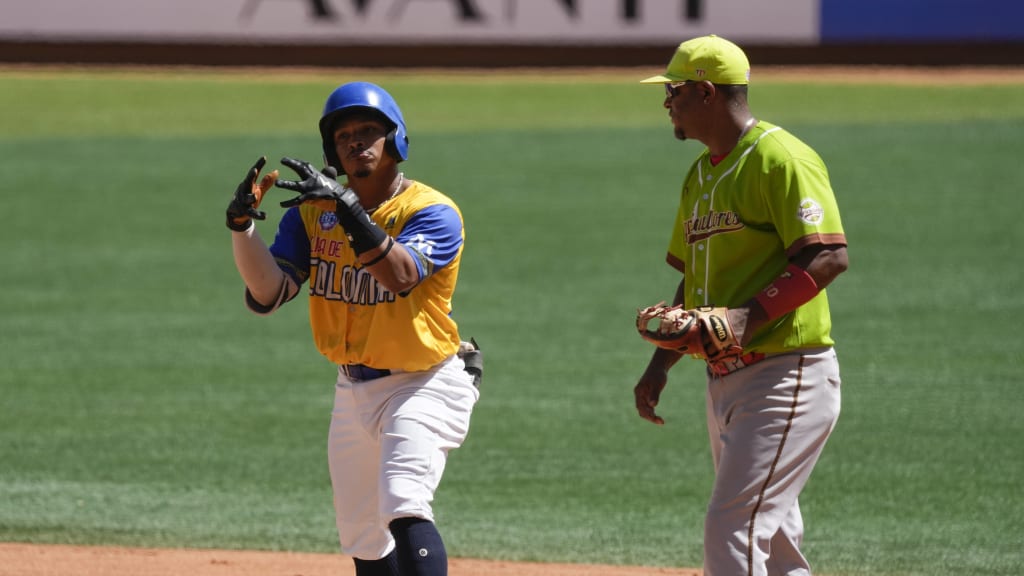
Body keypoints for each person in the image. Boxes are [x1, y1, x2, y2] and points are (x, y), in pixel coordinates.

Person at [224, 81, 481, 576]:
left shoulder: (432, 211)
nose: (356, 141)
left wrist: (346, 205)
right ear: (331, 149)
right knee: (362, 536)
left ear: (394, 139)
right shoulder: (314, 211)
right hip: (352, 387)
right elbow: (268, 295)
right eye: (344, 135)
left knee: (404, 504)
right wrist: (242, 229)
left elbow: (401, 275)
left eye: (368, 131)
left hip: (422, 382)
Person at [632, 35, 848, 576]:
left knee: (732, 527)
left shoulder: (780, 158)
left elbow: (828, 257)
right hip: (725, 379)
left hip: (785, 374)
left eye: (674, 91)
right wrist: (660, 365)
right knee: (771, 542)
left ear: (706, 92)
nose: (666, 103)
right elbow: (694, 279)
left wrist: (744, 318)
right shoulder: (702, 173)